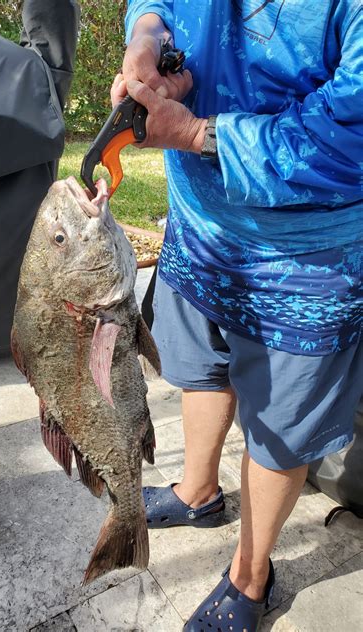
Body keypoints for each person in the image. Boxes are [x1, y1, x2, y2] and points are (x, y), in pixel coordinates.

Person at [111, 2, 363, 630]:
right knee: (198, 362)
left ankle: (252, 576)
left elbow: (353, 129)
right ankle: (198, 492)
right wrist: (147, 35)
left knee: (284, 424)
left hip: (308, 255)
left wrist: (199, 133)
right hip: (199, 221)